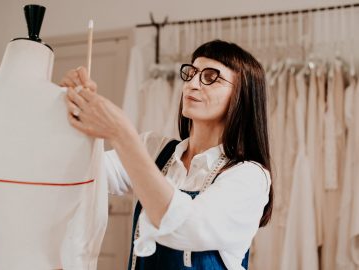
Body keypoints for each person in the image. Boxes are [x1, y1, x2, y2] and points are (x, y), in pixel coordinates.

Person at [59, 39, 273, 270]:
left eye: (210, 77)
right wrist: (70, 105)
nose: (192, 84)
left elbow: (187, 227)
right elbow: (83, 171)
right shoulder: (154, 149)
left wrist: (121, 133)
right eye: (191, 73)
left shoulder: (249, 176)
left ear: (242, 95)